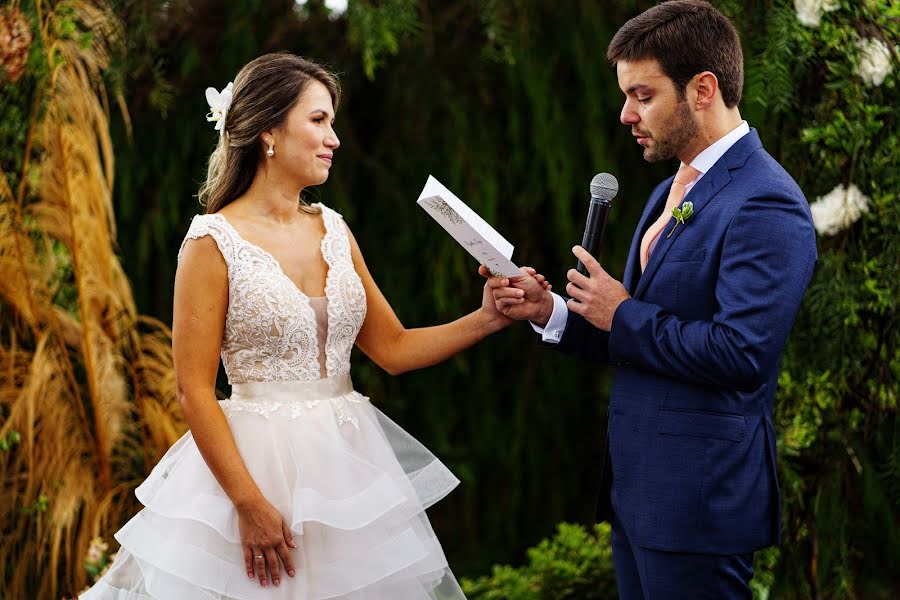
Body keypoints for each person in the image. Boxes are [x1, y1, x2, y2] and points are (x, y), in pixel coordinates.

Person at [81, 52, 545, 600]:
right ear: (269, 131)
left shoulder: (335, 229)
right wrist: (248, 503)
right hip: (252, 471)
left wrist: (487, 318)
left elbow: (394, 349)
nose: (335, 138)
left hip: (347, 469)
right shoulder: (211, 242)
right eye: (319, 120)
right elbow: (194, 390)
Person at [486, 1, 817, 598]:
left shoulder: (767, 202)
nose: (625, 114)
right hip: (639, 496)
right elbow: (637, 340)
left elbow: (741, 355)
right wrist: (553, 312)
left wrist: (622, 312)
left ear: (703, 89)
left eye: (642, 95)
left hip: (699, 503)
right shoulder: (671, 189)